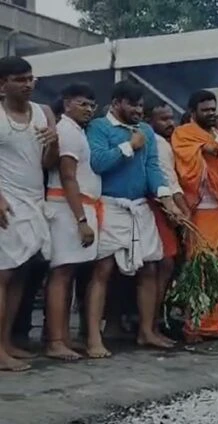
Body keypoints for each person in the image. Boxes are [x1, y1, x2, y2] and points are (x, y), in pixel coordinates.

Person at [86, 81, 183, 358]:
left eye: (141, 106)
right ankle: (94, 338)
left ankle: (146, 331)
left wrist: (167, 201)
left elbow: (153, 169)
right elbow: (98, 162)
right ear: (117, 103)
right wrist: (129, 146)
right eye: (133, 105)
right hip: (111, 205)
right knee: (103, 270)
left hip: (141, 207)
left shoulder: (146, 131)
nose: (139, 111)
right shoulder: (99, 127)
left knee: (150, 268)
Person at [0, 56, 58, 371]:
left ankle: (7, 341)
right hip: (6, 203)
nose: (27, 84)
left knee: (21, 272)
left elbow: (48, 164)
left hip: (35, 201)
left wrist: (54, 143)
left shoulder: (43, 112)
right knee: (3, 275)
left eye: (30, 78)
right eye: (20, 79)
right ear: (2, 84)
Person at [172, 90, 218, 342]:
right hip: (199, 209)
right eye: (205, 110)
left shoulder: (217, 133)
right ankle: (195, 326)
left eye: (213, 109)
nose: (210, 113)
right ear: (193, 111)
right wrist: (204, 149)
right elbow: (184, 161)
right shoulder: (183, 133)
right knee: (199, 269)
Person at [44, 83, 99, 362]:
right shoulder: (66, 130)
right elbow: (68, 177)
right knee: (62, 274)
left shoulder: (76, 131)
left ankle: (62, 337)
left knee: (68, 274)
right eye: (82, 104)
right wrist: (81, 219)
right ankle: (55, 340)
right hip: (67, 209)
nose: (88, 110)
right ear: (66, 104)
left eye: (91, 105)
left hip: (77, 206)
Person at [144, 99, 191, 344]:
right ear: (148, 120)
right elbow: (167, 183)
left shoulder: (164, 142)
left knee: (164, 266)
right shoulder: (157, 143)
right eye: (163, 119)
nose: (170, 123)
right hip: (158, 208)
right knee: (163, 265)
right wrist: (179, 211)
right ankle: (150, 327)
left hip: (161, 206)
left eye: (171, 118)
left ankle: (152, 325)